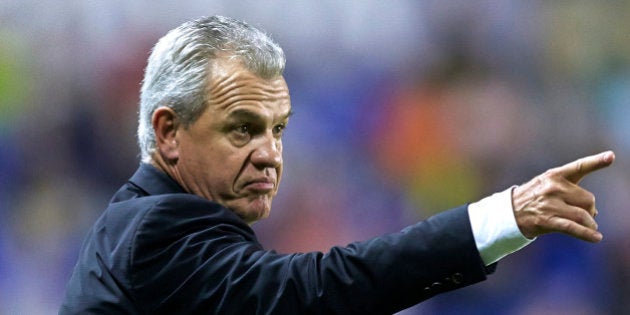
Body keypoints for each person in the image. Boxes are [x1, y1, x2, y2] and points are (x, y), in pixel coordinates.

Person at [59, 15, 615, 314]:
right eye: (242, 129)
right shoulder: (155, 229)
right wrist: (501, 217)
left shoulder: (156, 232)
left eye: (277, 130)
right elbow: (318, 289)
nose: (270, 154)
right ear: (168, 132)